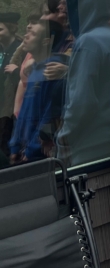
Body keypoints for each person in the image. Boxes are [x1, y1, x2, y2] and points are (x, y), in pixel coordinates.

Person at [56, 0, 110, 167]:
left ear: (84, 6)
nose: (61, 9)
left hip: (91, 147)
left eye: (68, 4)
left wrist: (64, 138)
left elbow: (82, 101)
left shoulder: (89, 42)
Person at [8, 18, 66, 164]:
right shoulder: (34, 70)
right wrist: (15, 146)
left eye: (32, 34)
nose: (26, 36)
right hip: (24, 150)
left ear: (46, 41)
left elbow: (48, 115)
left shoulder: (52, 71)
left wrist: (32, 148)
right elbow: (25, 113)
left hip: (39, 152)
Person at [0, 12, 22, 161]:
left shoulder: (20, 49)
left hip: (12, 106)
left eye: (0, 29)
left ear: (11, 29)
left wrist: (16, 72)